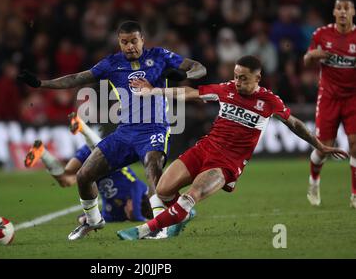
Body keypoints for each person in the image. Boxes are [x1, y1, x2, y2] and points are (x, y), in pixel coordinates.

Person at [117, 55, 348, 240]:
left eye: (244, 79)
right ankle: (182, 216)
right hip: (205, 148)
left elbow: (294, 123)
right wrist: (153, 91)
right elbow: (190, 93)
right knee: (163, 190)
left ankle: (144, 230)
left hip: (227, 163)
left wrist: (319, 145)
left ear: (258, 78)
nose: (238, 82)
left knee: (190, 196)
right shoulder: (226, 90)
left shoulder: (269, 101)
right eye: (236, 77)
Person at [18, 20, 207, 240]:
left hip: (154, 128)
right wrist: (41, 84)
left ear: (142, 40)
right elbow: (77, 78)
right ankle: (93, 220)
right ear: (119, 43)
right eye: (124, 42)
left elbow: (198, 67)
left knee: (152, 170)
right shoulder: (111, 63)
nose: (130, 47)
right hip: (125, 133)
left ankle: (159, 227)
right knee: (83, 176)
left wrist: (185, 75)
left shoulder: (159, 55)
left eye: (134, 41)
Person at [24, 113, 152, 223]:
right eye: (133, 207)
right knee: (104, 157)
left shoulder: (116, 213)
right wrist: (143, 220)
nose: (129, 209)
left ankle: (42, 153)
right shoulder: (139, 189)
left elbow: (95, 216)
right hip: (103, 155)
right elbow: (136, 213)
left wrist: (83, 218)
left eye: (130, 213)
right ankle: (82, 127)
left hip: (90, 172)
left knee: (66, 179)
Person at [303, 0, 356, 208]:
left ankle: (354, 194)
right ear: (334, 13)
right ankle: (313, 182)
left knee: (355, 145)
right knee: (325, 147)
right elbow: (306, 61)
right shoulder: (321, 34)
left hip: (353, 98)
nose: (343, 12)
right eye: (339, 8)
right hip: (328, 97)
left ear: (353, 12)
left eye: (347, 8)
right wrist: (313, 55)